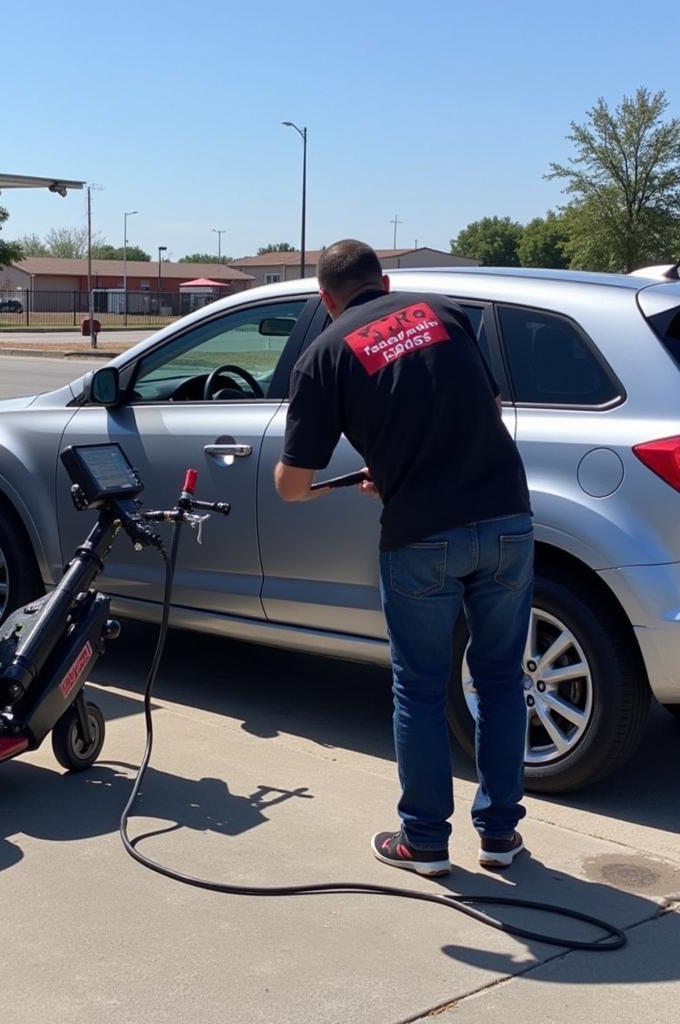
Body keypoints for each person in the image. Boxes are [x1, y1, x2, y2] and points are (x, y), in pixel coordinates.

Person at [274, 240, 533, 878]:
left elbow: (291, 485)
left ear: (324, 300)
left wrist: (377, 476)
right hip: (507, 520)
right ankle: (500, 837)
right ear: (384, 281)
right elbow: (485, 410)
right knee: (501, 680)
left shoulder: (324, 353)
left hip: (421, 536)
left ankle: (424, 842)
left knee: (418, 688)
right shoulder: (444, 312)